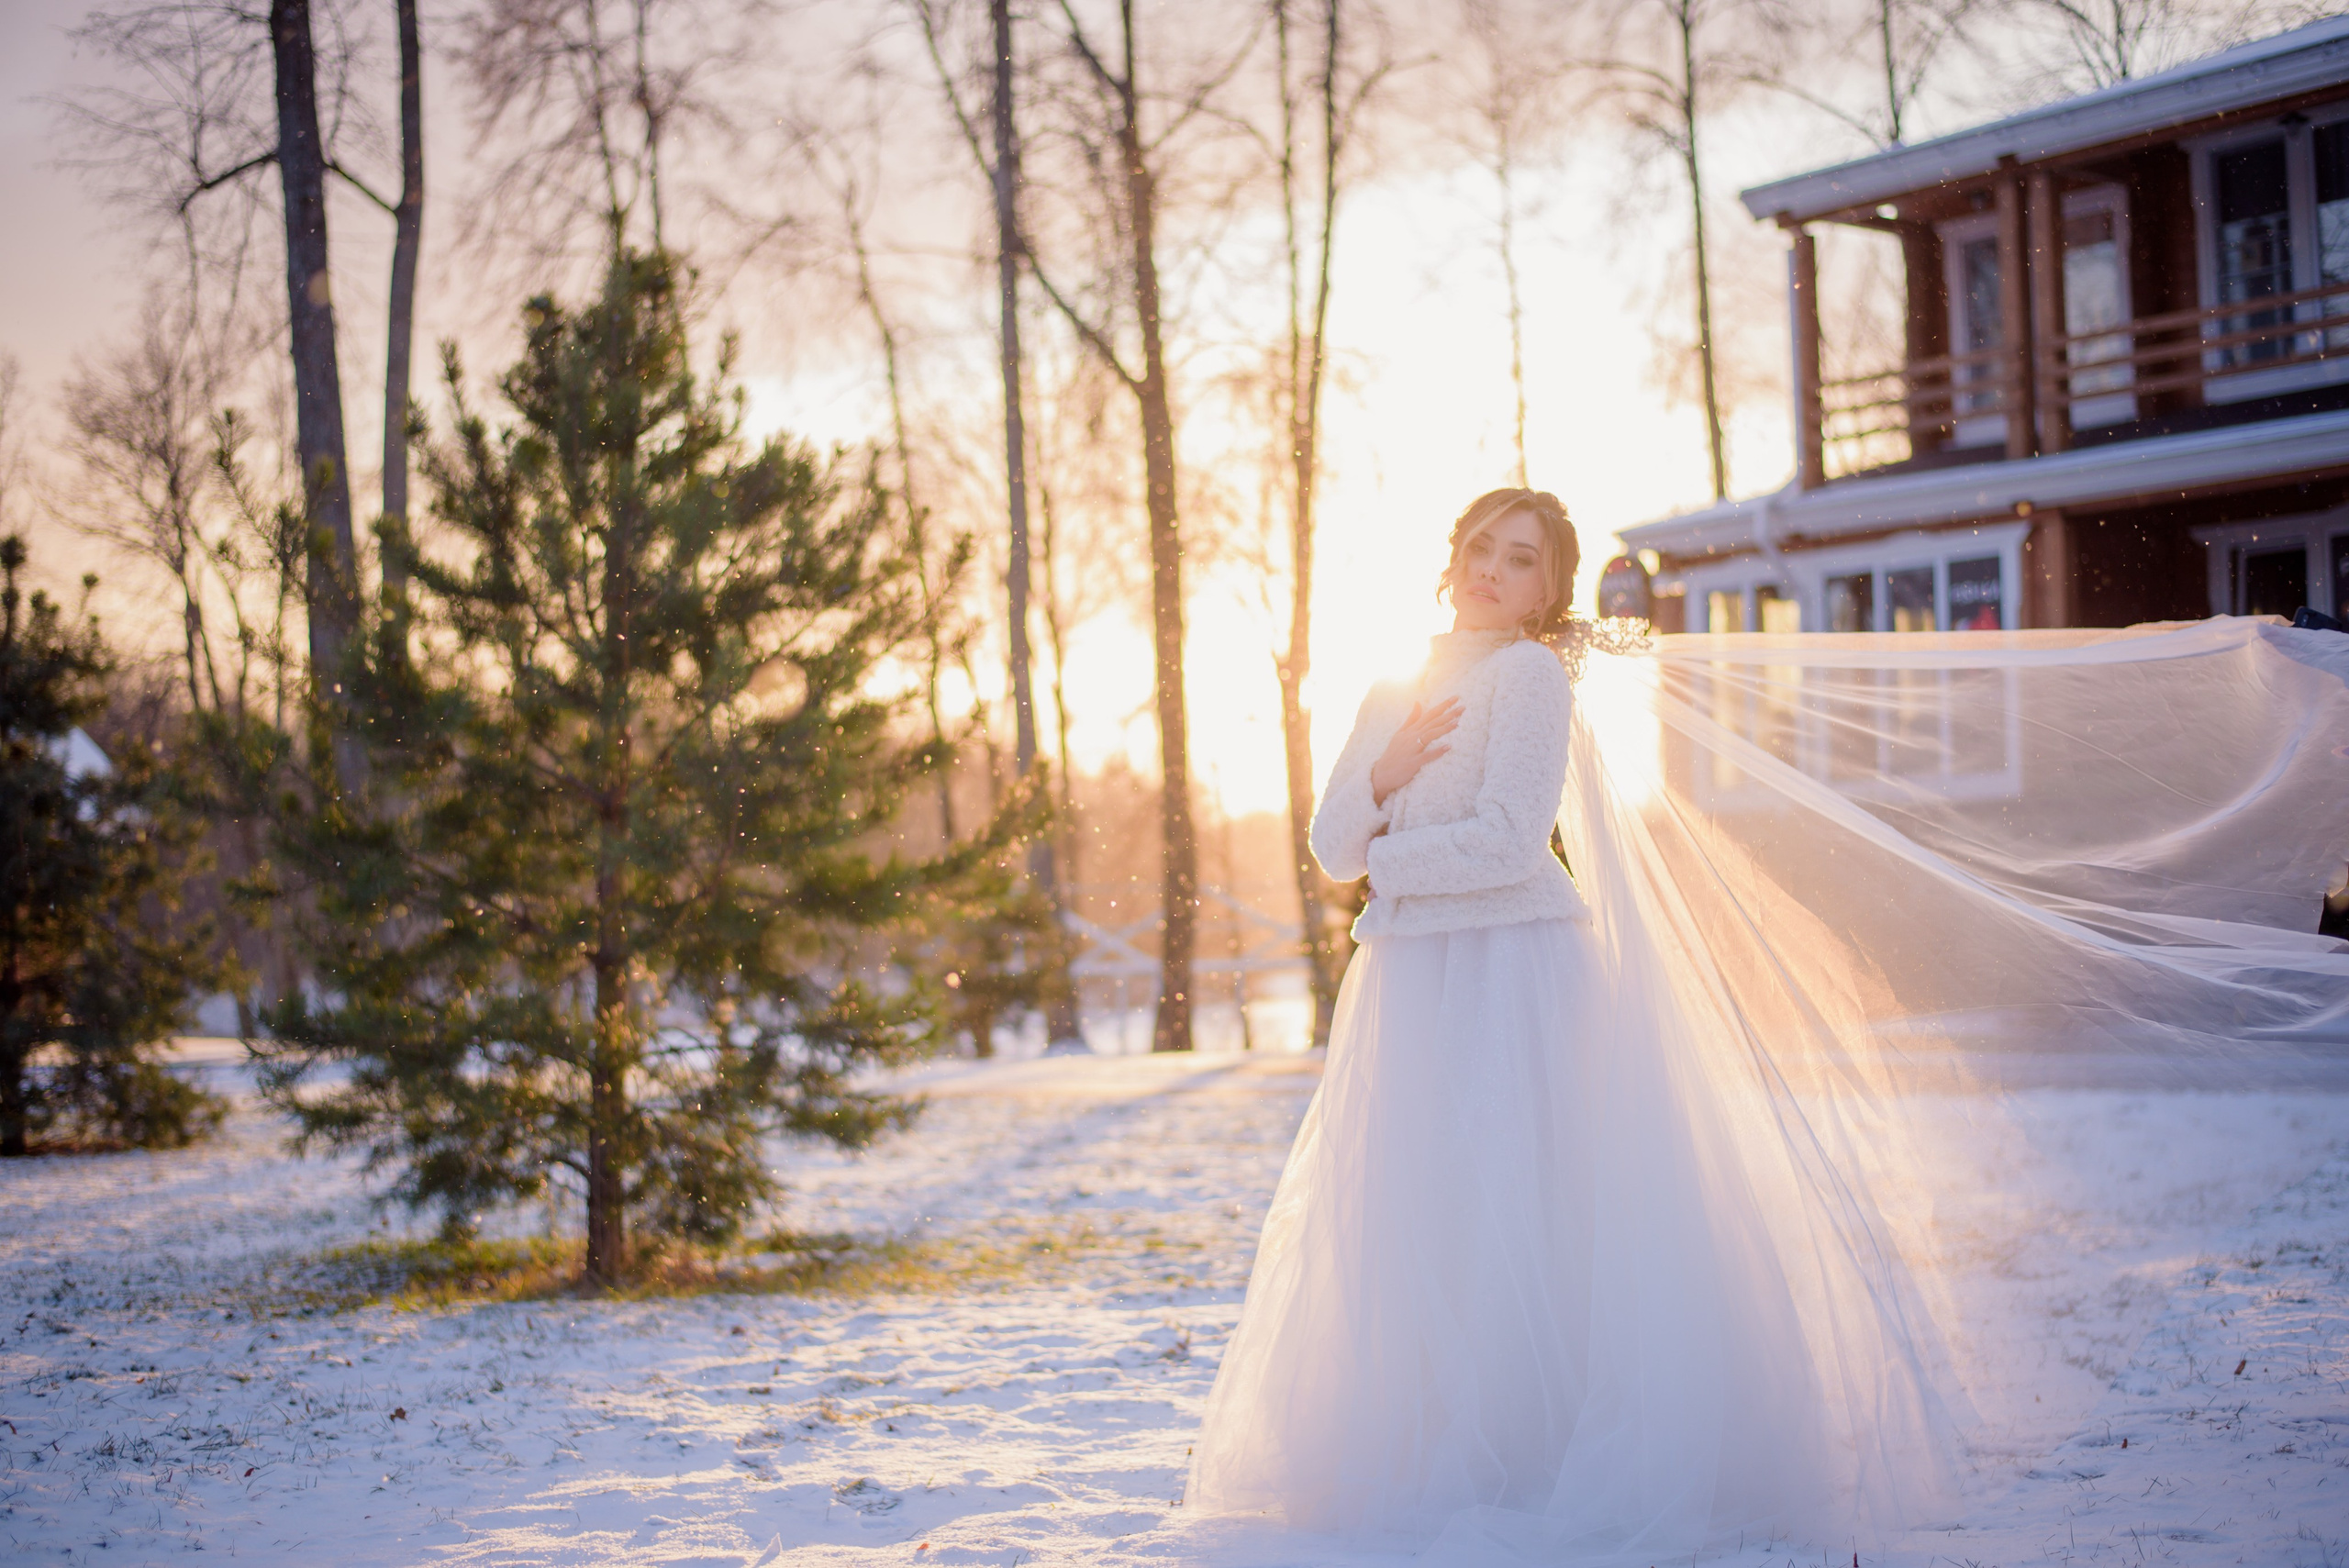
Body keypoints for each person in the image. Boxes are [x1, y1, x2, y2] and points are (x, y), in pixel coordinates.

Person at [1186, 487, 1955, 1563]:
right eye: (1480, 547)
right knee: (1423, 1211)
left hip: (1512, 969)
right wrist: (1385, 772)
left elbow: (1505, 840)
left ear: (1548, 588)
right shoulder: (1392, 686)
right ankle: (1442, 1442)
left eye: (1521, 558)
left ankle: (1539, 1445)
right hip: (1406, 982)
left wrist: (1387, 866)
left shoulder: (1528, 676)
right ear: (1450, 557)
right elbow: (1330, 845)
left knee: (1523, 1201)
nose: (1491, 570)